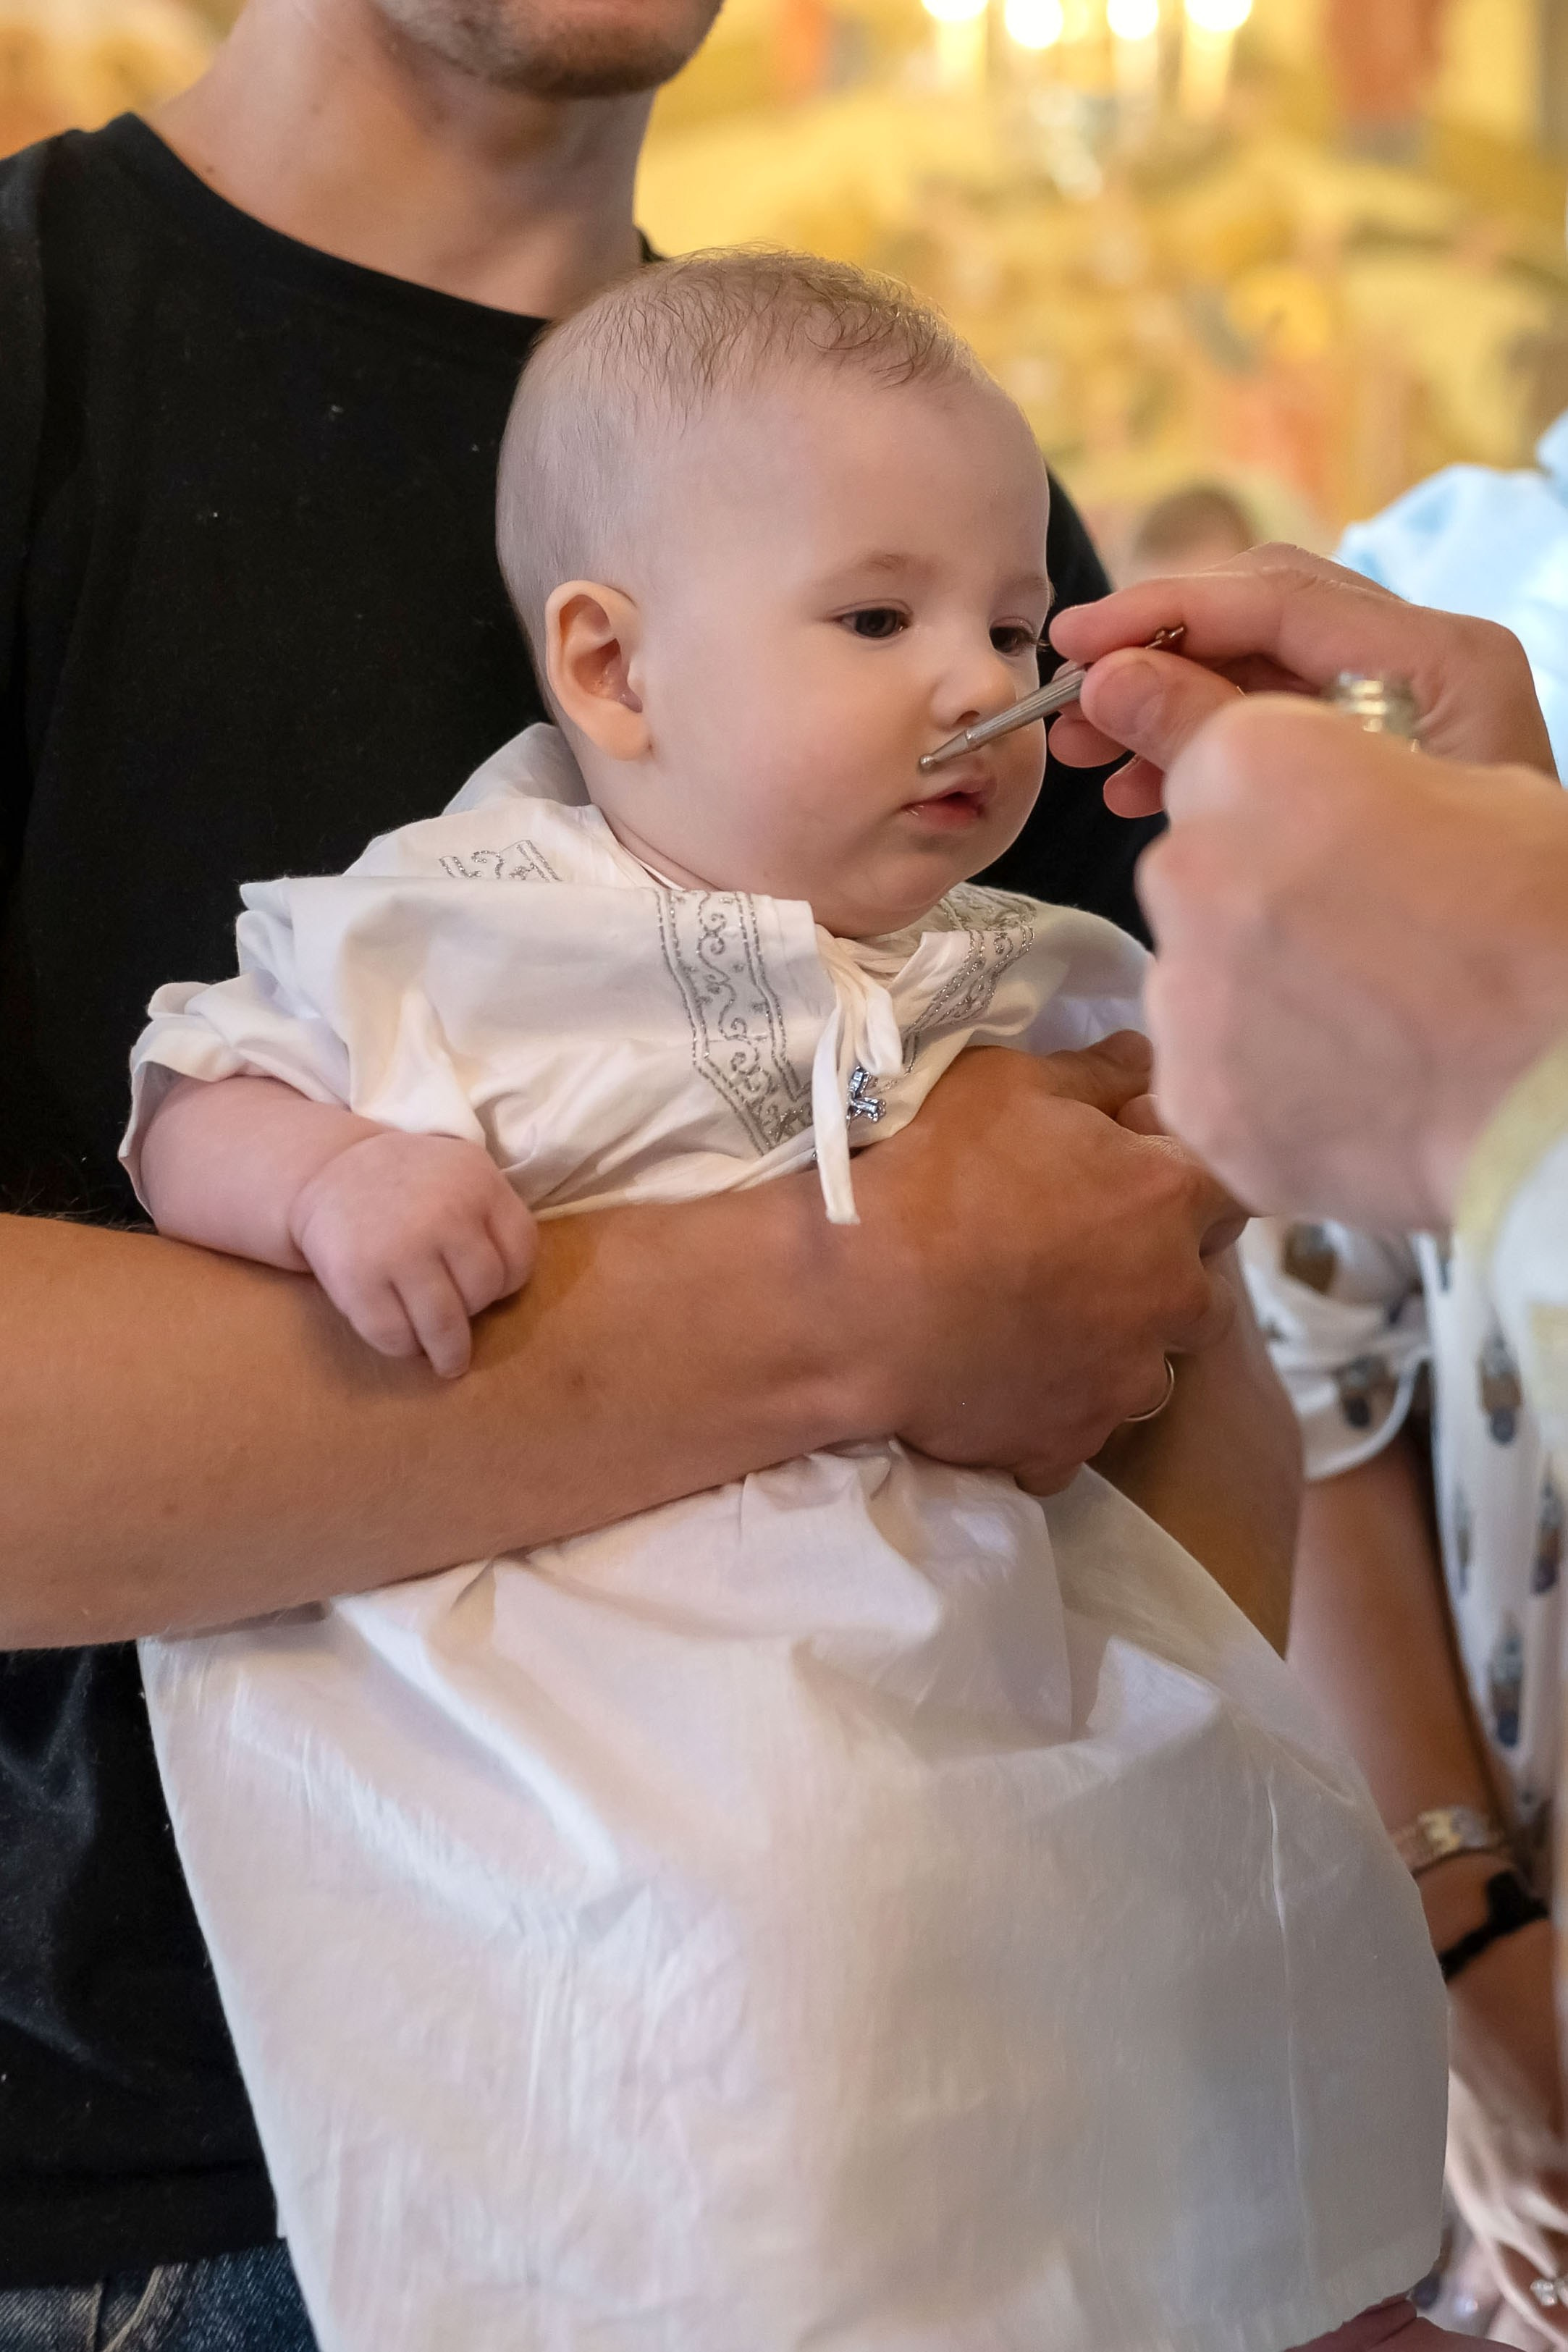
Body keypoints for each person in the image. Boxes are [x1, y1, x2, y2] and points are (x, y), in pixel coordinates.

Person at [0, 0, 1281, 2334]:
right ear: (601, 664)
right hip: (184, 2200)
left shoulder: (896, 484)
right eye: (888, 629)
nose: (959, 667)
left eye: (977, 626)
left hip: (949, 2084)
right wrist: (859, 1304)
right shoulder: (37, 352)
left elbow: (1178, 1305)